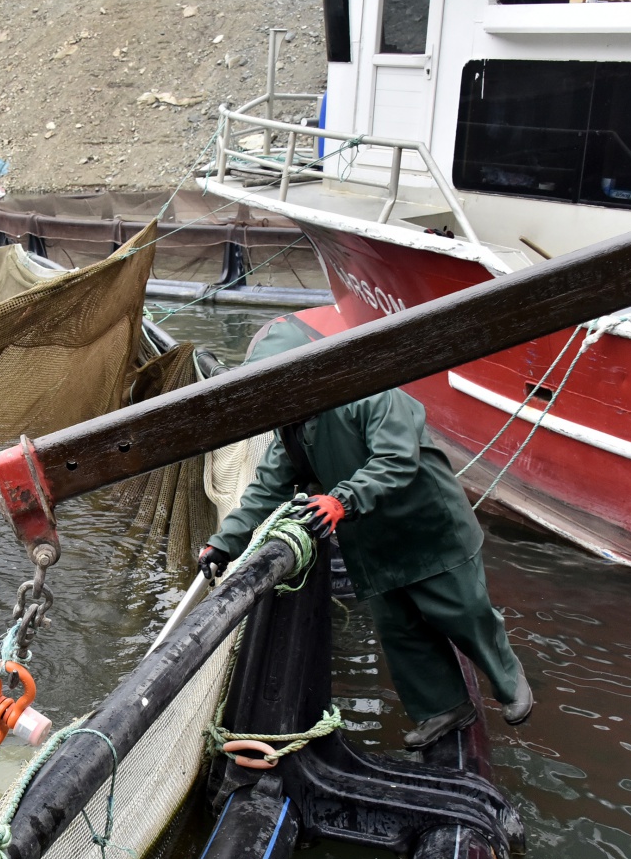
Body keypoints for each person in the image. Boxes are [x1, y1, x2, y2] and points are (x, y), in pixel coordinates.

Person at [197, 316, 533, 748]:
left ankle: (509, 679)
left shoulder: (370, 392)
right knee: (400, 629)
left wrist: (343, 500)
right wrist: (223, 544)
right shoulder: (292, 429)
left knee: (463, 610)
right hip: (373, 543)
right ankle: (443, 707)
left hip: (427, 525)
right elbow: (266, 488)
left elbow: (397, 458)